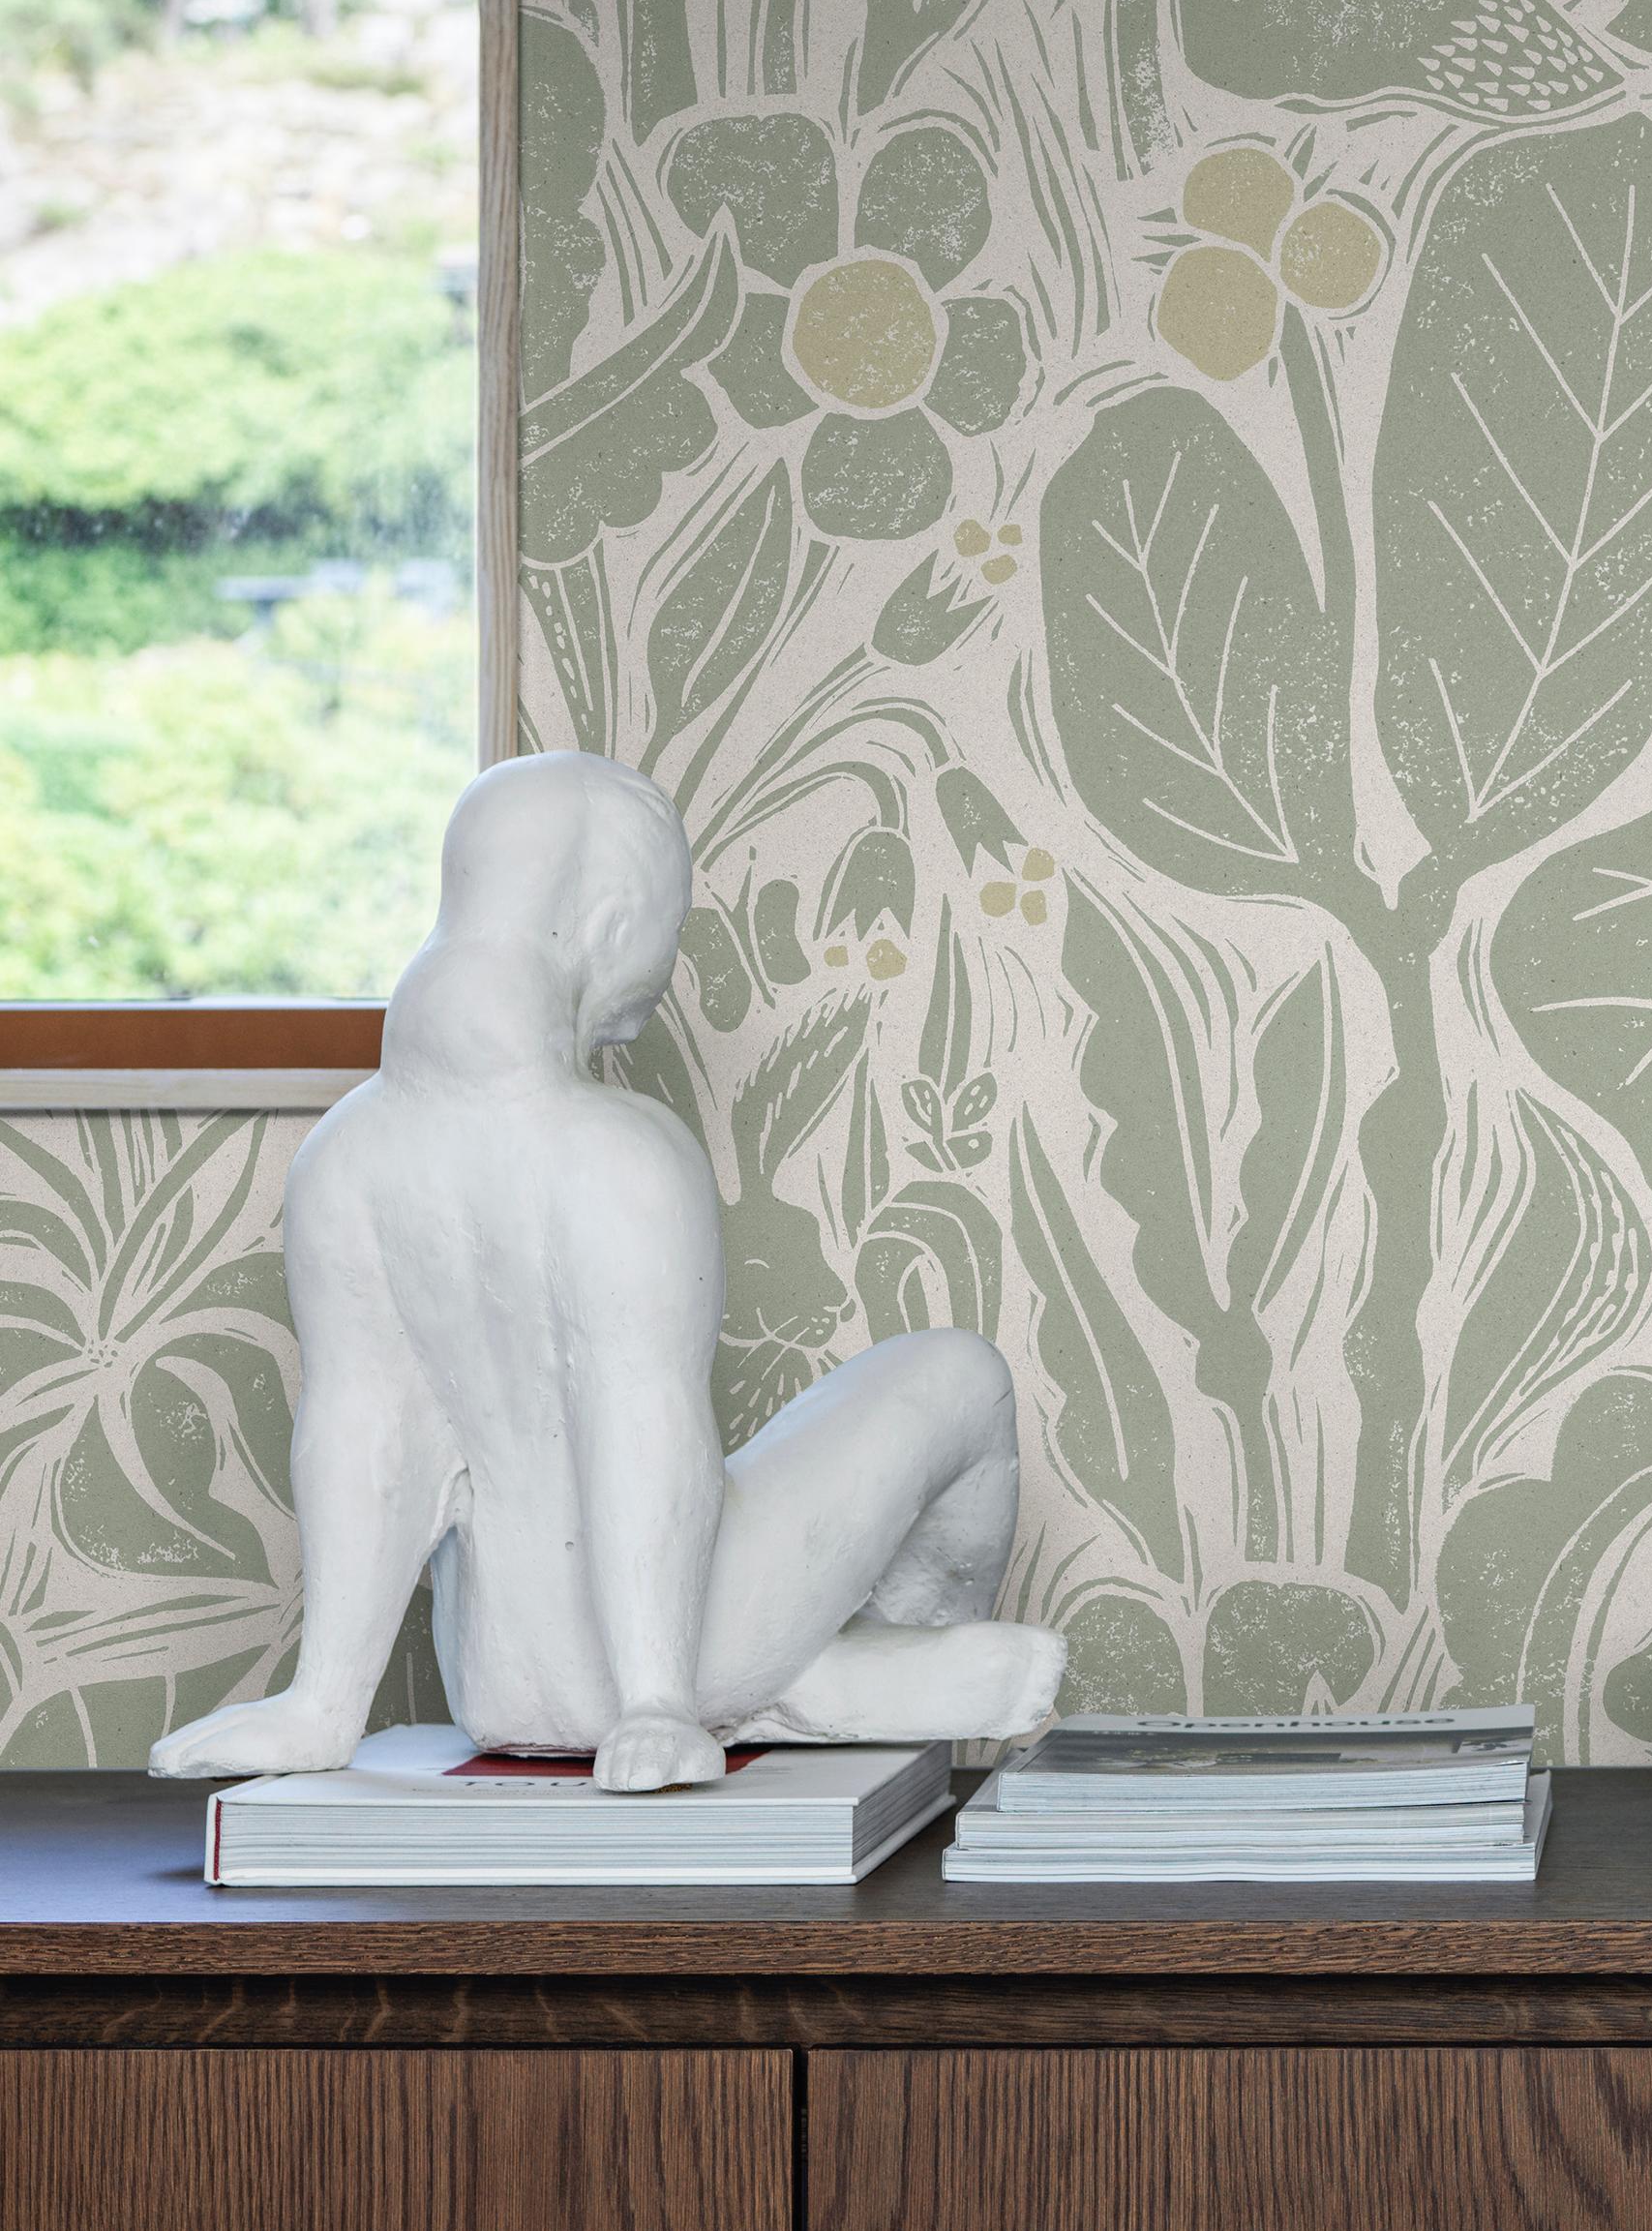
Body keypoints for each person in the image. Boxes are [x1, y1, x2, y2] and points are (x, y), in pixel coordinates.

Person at [149, 754, 1063, 1794]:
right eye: (664, 938)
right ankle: (830, 1679)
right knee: (959, 1372)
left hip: (495, 1681)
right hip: (688, 1651)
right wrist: (656, 1705)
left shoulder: (344, 1157)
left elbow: (365, 1432)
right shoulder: (618, 1154)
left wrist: (324, 1708)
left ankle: (823, 1680)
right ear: (612, 922)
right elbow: (641, 1415)